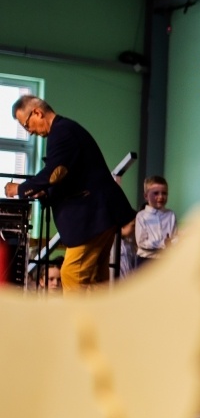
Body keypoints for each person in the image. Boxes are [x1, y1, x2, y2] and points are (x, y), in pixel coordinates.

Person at [4, 95, 136, 294]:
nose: (29, 132)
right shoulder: (66, 130)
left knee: (72, 273)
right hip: (102, 214)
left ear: (37, 113)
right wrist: (45, 191)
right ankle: (100, 323)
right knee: (96, 278)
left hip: (92, 216)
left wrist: (20, 189)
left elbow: (55, 173)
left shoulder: (61, 132)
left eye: (26, 125)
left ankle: (77, 325)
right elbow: (68, 175)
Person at [135, 175, 177, 266]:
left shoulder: (171, 215)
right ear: (146, 196)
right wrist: (162, 243)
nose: (161, 197)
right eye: (156, 193)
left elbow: (173, 237)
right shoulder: (141, 216)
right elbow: (141, 242)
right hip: (146, 260)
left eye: (164, 193)